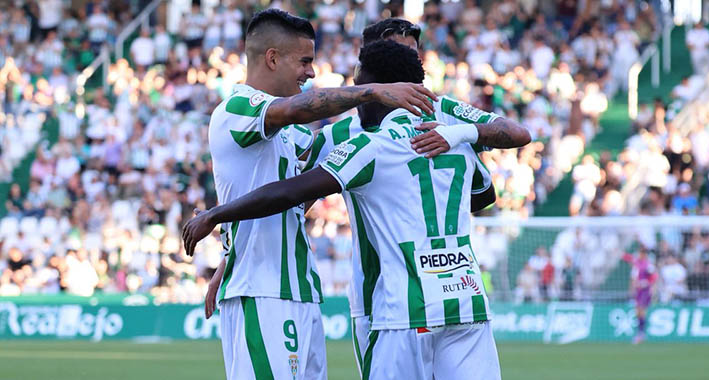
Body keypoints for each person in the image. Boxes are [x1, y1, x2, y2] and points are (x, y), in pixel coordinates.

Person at [184, 39, 529, 380]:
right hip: (467, 301)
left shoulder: (365, 146)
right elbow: (484, 194)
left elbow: (289, 191)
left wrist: (216, 214)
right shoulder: (454, 138)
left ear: (380, 90)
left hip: (404, 310)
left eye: (361, 87)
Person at [199, 9, 437, 380]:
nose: (311, 72)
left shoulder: (296, 136)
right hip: (261, 292)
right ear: (272, 58)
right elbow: (294, 110)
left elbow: (293, 195)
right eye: (305, 61)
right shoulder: (235, 110)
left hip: (302, 293)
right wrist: (373, 90)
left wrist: (228, 256)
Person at [625, 249, 656, 344]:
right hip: (638, 291)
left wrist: (650, 286)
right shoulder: (636, 265)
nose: (640, 256)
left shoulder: (648, 265)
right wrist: (632, 289)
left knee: (641, 311)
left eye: (641, 254)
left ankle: (641, 334)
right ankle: (641, 333)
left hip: (645, 290)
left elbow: (654, 277)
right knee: (638, 312)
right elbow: (633, 279)